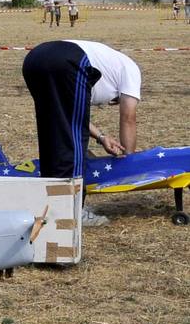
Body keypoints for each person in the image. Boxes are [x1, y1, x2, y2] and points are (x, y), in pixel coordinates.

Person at [21, 39, 140, 227]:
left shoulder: (104, 70)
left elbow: (75, 116)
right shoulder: (131, 70)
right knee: (72, 142)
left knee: (54, 136)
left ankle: (53, 205)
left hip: (34, 59)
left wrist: (101, 138)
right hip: (69, 60)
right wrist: (130, 161)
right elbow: (128, 117)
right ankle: (72, 211)